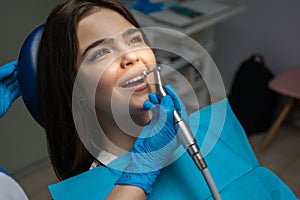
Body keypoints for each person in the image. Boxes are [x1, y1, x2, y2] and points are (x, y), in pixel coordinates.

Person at [29, 0, 296, 199]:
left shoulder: (210, 133)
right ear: (74, 90)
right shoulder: (88, 190)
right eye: (100, 53)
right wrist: (140, 173)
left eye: (134, 40)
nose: (132, 57)